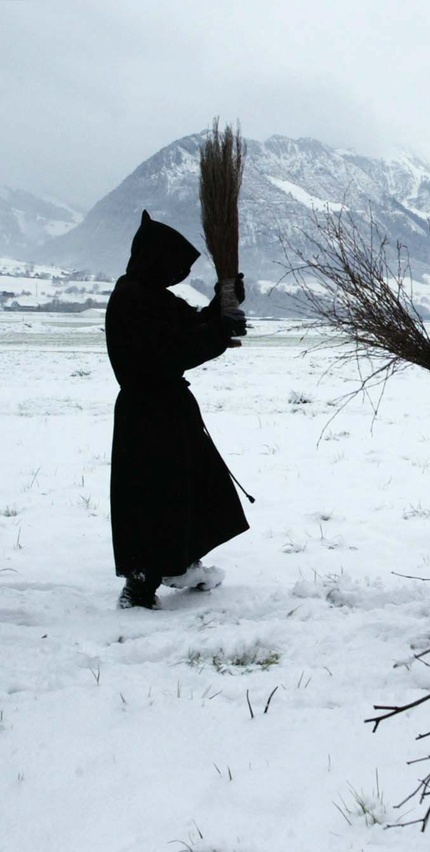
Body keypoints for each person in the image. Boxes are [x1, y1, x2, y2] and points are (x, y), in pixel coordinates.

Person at [106, 210, 250, 609]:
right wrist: (219, 330)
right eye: (173, 268)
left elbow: (190, 325)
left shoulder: (148, 295)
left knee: (185, 487)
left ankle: (180, 561)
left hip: (164, 411)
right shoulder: (133, 300)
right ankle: (143, 583)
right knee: (156, 494)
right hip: (149, 417)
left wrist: (223, 304)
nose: (177, 277)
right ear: (156, 261)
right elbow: (175, 349)